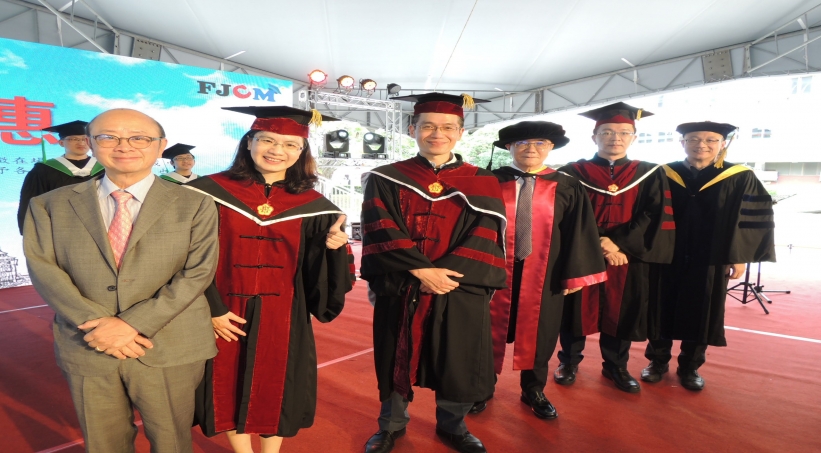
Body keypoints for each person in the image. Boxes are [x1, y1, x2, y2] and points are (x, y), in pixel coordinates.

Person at [23, 108, 219, 453]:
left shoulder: (196, 204)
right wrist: (97, 324)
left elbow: (197, 272)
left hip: (168, 343)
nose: (124, 146)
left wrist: (131, 325)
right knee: (104, 443)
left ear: (161, 146)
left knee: (172, 441)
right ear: (91, 143)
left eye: (139, 138)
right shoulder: (49, 205)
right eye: (108, 137)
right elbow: (43, 267)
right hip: (89, 340)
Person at [186, 106, 355, 453]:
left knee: (277, 386)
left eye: (291, 145)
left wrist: (333, 249)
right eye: (267, 140)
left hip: (284, 314)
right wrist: (211, 309)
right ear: (249, 142)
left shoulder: (314, 205)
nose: (278, 150)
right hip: (222, 310)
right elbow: (185, 256)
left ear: (301, 152)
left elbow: (322, 274)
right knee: (227, 382)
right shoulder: (207, 192)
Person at [360, 93, 507, 453]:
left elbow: (486, 234)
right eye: (427, 126)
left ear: (460, 132)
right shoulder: (387, 177)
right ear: (412, 129)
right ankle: (391, 425)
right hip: (402, 282)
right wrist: (421, 270)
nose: (437, 133)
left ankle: (453, 426)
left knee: (458, 356)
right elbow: (379, 225)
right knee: (395, 353)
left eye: (447, 127)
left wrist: (445, 275)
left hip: (459, 285)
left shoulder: (483, 180)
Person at [477, 121, 606, 419]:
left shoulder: (568, 185)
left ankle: (533, 390)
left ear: (550, 147)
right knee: (484, 329)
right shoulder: (488, 181)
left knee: (542, 332)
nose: (531, 149)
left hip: (546, 273)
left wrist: (574, 274)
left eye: (539, 143)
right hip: (493, 271)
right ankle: (481, 387)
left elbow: (578, 232)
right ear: (509, 147)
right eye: (522, 143)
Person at [641, 121, 775, 391]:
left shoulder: (740, 176)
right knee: (660, 305)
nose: (701, 144)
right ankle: (657, 361)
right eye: (693, 139)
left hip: (712, 256)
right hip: (667, 253)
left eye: (711, 140)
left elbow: (749, 219)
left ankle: (690, 366)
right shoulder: (663, 173)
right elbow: (647, 211)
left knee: (703, 309)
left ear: (722, 144)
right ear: (682, 143)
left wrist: (738, 256)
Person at [555, 102, 675, 393]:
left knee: (621, 310)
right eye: (607, 132)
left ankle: (616, 366)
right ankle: (568, 362)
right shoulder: (571, 172)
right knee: (574, 309)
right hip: (581, 253)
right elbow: (565, 215)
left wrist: (618, 242)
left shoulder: (650, 173)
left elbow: (654, 214)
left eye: (623, 132)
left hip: (627, 256)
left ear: (634, 137)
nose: (615, 138)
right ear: (594, 136)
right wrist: (600, 243)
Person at [17, 120, 104, 233]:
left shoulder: (104, 168)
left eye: (85, 139)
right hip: (59, 228)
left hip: (101, 226)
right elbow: (31, 201)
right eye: (73, 139)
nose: (81, 143)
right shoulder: (43, 169)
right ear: (61, 143)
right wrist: (32, 232)